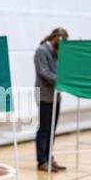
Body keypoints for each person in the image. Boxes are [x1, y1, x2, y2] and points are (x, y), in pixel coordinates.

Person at [34, 28, 69, 172]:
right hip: (44, 95)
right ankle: (41, 160)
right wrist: (61, 80)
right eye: (61, 41)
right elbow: (44, 72)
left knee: (52, 129)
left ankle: (49, 158)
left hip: (55, 95)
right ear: (56, 38)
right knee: (44, 128)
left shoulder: (57, 52)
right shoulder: (41, 51)